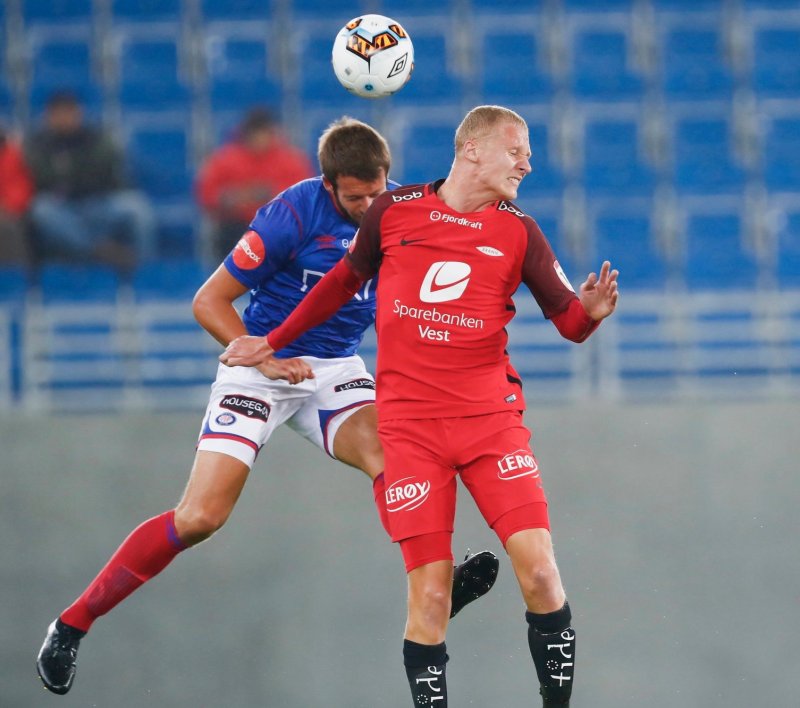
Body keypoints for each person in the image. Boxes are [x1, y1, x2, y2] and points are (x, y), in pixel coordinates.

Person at [35, 117, 498, 696]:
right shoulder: (292, 213)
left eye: (377, 192)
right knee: (201, 517)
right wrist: (266, 362)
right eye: (355, 198)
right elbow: (210, 302)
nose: (368, 206)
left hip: (333, 368)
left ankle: (441, 583)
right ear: (329, 185)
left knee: (398, 458)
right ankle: (72, 625)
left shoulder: (400, 213)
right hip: (261, 365)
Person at [220, 105, 620, 707]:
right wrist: (272, 341)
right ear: (473, 150)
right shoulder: (394, 211)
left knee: (539, 572)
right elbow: (340, 282)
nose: (528, 162)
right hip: (409, 430)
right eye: (518, 150)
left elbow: (567, 318)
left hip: (490, 423)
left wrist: (587, 314)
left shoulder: (520, 231)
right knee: (431, 599)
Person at [24, 90, 157, 271]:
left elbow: (107, 173)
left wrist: (69, 174)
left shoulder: (96, 139)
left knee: (137, 208)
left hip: (98, 203)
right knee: (41, 210)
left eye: (69, 112)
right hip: (61, 208)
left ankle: (145, 272)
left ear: (79, 113)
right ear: (49, 116)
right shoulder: (37, 144)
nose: (64, 118)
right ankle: (98, 250)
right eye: (58, 113)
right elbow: (38, 180)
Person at [196, 106, 315, 263]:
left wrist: (270, 194)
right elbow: (206, 194)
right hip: (236, 228)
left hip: (278, 228)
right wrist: (229, 198)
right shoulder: (225, 159)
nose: (260, 139)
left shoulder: (291, 160)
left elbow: (307, 195)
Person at [0, 121, 34, 268]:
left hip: (7, 213)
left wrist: (6, 207)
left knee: (8, 228)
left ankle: (15, 281)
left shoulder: (11, 155)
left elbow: (21, 189)